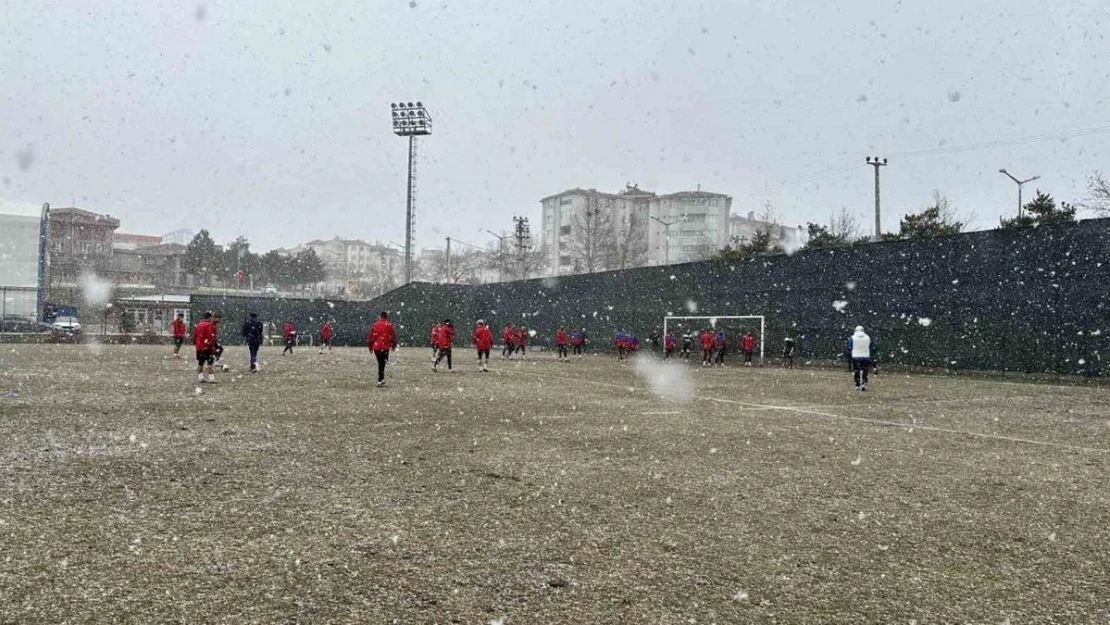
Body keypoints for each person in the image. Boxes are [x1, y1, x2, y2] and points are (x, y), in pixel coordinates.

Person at [367, 312, 397, 387]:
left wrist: (370, 347)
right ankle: (380, 380)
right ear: (386, 317)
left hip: (377, 347)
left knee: (380, 363)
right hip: (385, 347)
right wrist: (393, 345)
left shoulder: (375, 325)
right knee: (383, 363)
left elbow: (371, 337)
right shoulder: (389, 325)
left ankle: (381, 379)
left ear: (380, 316)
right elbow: (393, 336)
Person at [193, 311, 217, 383]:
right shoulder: (209, 325)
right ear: (209, 317)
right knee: (210, 363)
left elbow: (194, 336)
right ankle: (211, 378)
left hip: (199, 347)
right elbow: (210, 336)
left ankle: (200, 377)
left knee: (200, 362)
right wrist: (212, 345)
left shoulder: (198, 325)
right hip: (207, 347)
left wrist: (197, 344)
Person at [848, 326, 873, 391]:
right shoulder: (868, 337)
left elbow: (850, 347)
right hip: (866, 356)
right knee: (865, 371)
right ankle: (864, 384)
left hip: (856, 356)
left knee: (857, 371)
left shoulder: (852, 338)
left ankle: (857, 385)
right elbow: (870, 347)